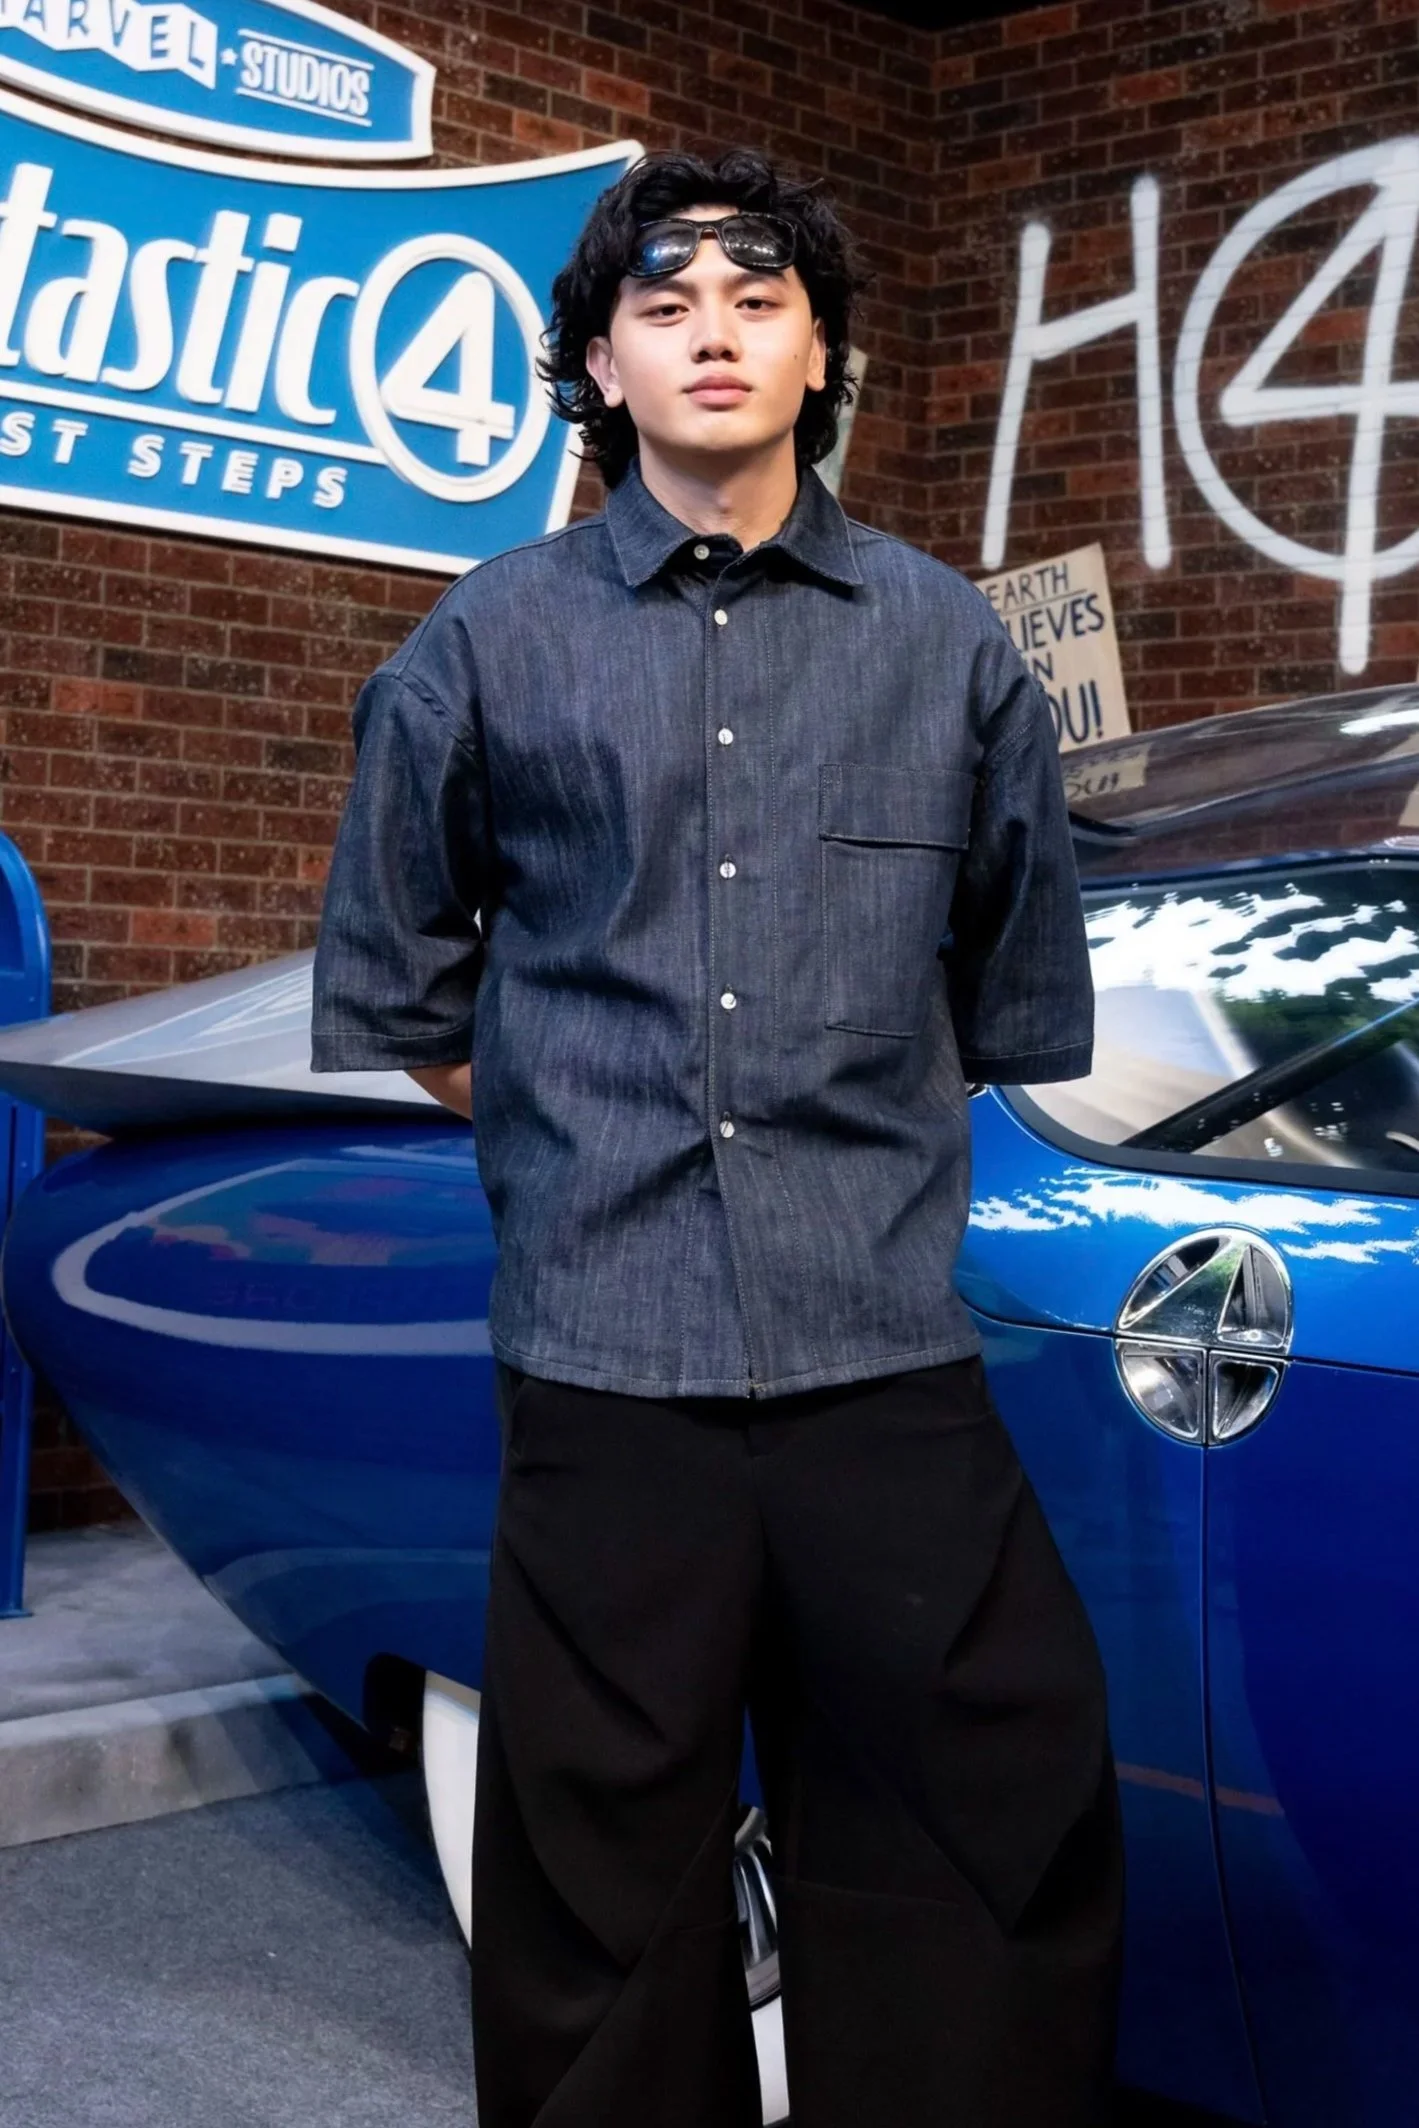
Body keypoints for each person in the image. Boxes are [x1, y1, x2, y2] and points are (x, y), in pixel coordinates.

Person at [309, 147, 1123, 2128]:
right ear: (597, 362)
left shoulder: (947, 647)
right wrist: (598, 1147)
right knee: (596, 1886)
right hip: (610, 1367)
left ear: (820, 346)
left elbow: (1014, 994)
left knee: (985, 1826)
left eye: (755, 301)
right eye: (663, 308)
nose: (712, 336)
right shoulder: (481, 649)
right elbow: (410, 997)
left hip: (885, 1359)